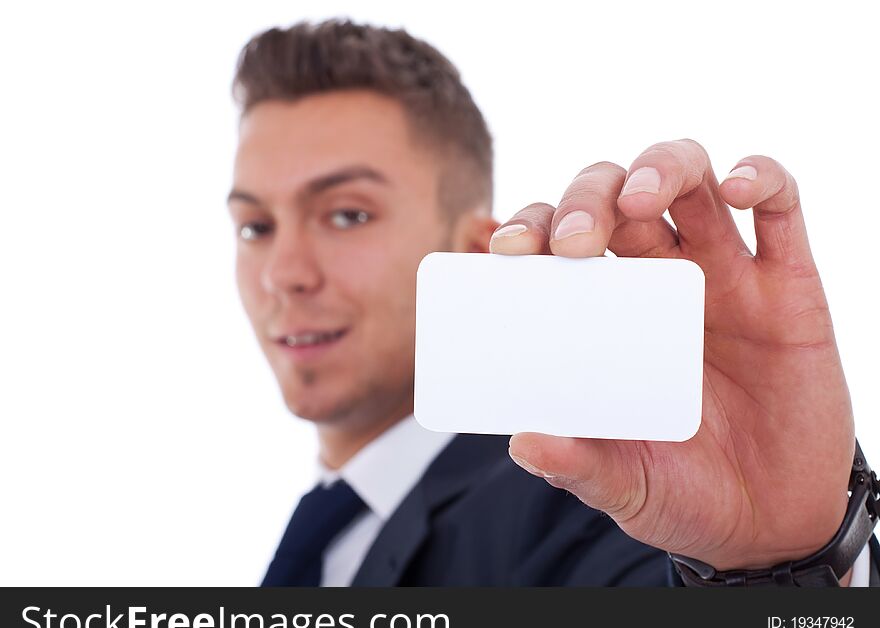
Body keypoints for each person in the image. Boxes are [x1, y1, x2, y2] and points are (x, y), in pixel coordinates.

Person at [227, 19, 878, 586]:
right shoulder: (317, 541)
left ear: (479, 253)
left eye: (346, 214)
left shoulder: (595, 501)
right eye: (256, 226)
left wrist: (775, 563)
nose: (283, 273)